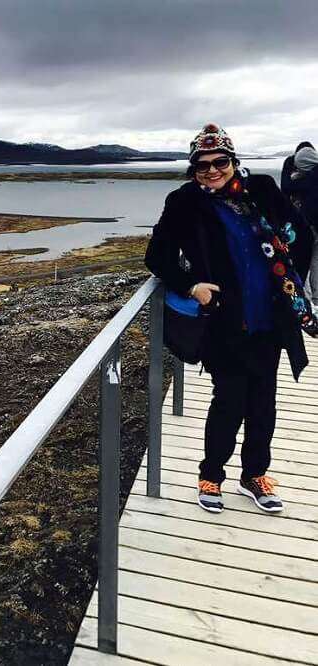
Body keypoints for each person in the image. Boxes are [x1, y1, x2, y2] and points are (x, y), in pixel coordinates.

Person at [145, 123, 316, 514]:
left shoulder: (262, 191)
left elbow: (302, 234)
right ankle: (211, 475)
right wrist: (192, 286)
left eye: (219, 161)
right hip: (224, 321)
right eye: (201, 165)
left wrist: (290, 282)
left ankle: (255, 475)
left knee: (263, 402)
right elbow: (157, 257)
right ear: (193, 169)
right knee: (229, 400)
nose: (211, 170)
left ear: (233, 161)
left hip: (271, 318)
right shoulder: (184, 202)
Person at [281, 143, 318, 311]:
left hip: (309, 226)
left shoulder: (312, 176)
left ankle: (299, 295)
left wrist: (288, 163)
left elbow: (287, 186)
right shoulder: (311, 175)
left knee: (300, 260)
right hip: (312, 225)